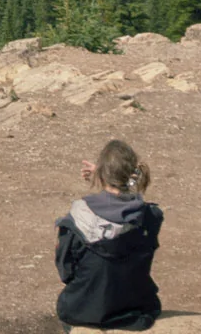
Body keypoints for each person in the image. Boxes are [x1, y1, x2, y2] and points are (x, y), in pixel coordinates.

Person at [54, 138, 162, 330]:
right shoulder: (151, 217)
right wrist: (108, 175)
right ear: (133, 174)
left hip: (81, 309)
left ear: (102, 175)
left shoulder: (76, 219)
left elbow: (66, 271)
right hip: (134, 308)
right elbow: (126, 199)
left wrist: (103, 176)